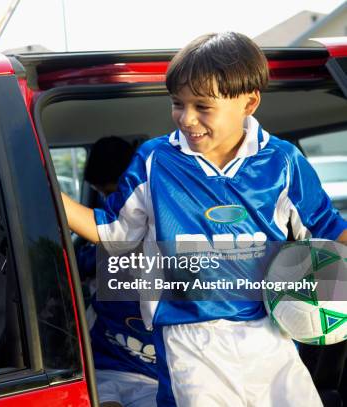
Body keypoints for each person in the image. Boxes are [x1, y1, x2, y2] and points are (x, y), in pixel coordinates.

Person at [62, 32, 347, 406]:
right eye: (178, 104)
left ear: (249, 102)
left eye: (202, 106)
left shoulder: (283, 163)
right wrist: (47, 193)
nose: (186, 118)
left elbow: (330, 232)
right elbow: (113, 231)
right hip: (188, 339)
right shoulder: (155, 161)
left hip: (269, 333)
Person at [77, 136, 158, 407]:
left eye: (113, 193)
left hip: (152, 376)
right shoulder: (97, 243)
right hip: (103, 364)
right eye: (101, 194)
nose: (109, 203)